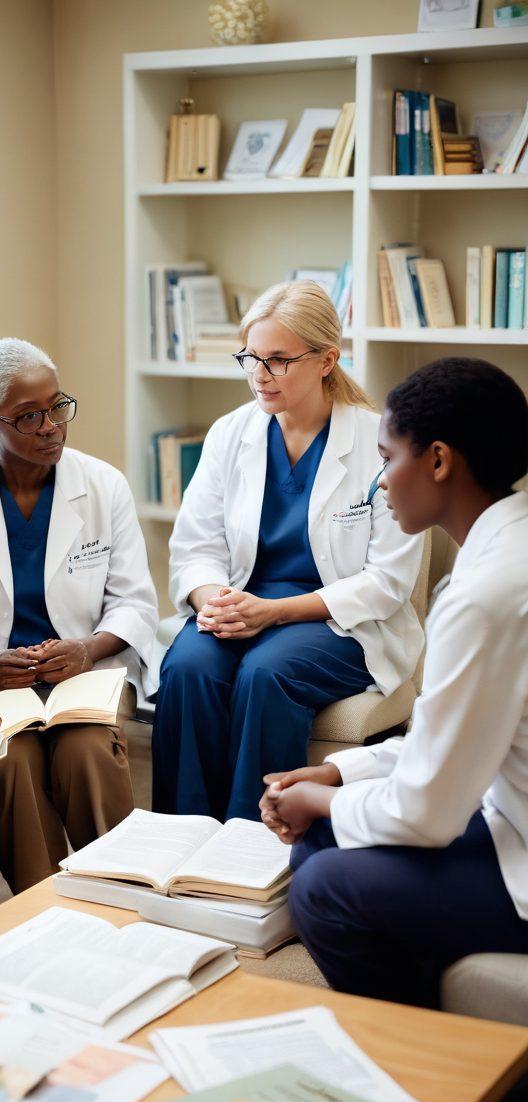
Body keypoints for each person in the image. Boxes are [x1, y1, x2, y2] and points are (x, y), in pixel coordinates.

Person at [259, 357, 528, 1011]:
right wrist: (340, 775)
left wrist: (317, 801)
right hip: (508, 815)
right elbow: (448, 734)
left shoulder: (486, 595)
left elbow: (428, 815)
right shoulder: (506, 550)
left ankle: (442, 1063)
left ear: (438, 461)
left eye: (388, 458)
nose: (380, 482)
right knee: (323, 844)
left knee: (322, 887)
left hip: (517, 856)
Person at [152, 280, 424, 822]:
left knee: (266, 672)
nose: (259, 374)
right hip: (243, 607)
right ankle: (179, 836)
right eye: (251, 357)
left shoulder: (379, 442)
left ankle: (252, 843)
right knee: (186, 667)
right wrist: (215, 600)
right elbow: (195, 546)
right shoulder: (231, 435)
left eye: (278, 360)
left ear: (327, 360)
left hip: (339, 622)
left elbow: (386, 582)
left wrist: (273, 612)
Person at [0, 337, 159, 892]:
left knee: (88, 749)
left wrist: (86, 650)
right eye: (29, 416)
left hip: (86, 673)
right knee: (13, 758)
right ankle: (42, 906)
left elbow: (134, 603)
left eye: (57, 407)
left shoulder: (102, 486)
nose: (51, 426)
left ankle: (119, 893)